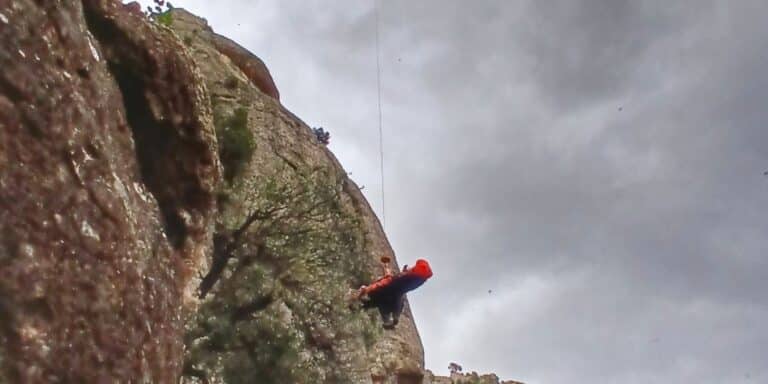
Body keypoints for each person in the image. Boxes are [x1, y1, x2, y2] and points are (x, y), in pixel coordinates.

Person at [356, 257, 432, 329]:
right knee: (389, 300)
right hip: (392, 297)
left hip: (384, 295)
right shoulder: (401, 282)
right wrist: (386, 265)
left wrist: (366, 289)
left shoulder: (393, 280)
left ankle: (389, 318)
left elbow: (381, 283)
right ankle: (391, 318)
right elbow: (388, 276)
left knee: (376, 302)